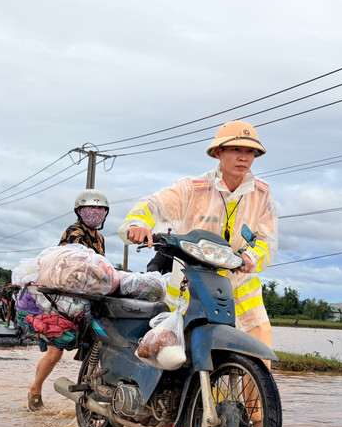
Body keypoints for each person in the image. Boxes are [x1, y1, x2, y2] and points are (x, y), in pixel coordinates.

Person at [119, 120, 278, 352]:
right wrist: (138, 224)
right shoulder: (194, 189)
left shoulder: (261, 193)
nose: (243, 157)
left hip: (240, 287)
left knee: (259, 344)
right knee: (170, 352)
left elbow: (267, 239)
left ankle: (257, 390)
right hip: (191, 283)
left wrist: (250, 258)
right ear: (218, 152)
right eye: (236, 149)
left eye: (249, 151)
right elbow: (153, 204)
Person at [28, 189, 109, 411]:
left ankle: (91, 398)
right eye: (90, 210)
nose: (95, 213)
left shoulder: (99, 238)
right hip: (67, 299)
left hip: (91, 298)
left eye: (100, 210)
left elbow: (101, 266)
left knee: (99, 348)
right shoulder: (74, 232)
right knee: (56, 351)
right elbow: (75, 263)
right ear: (80, 212)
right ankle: (35, 389)